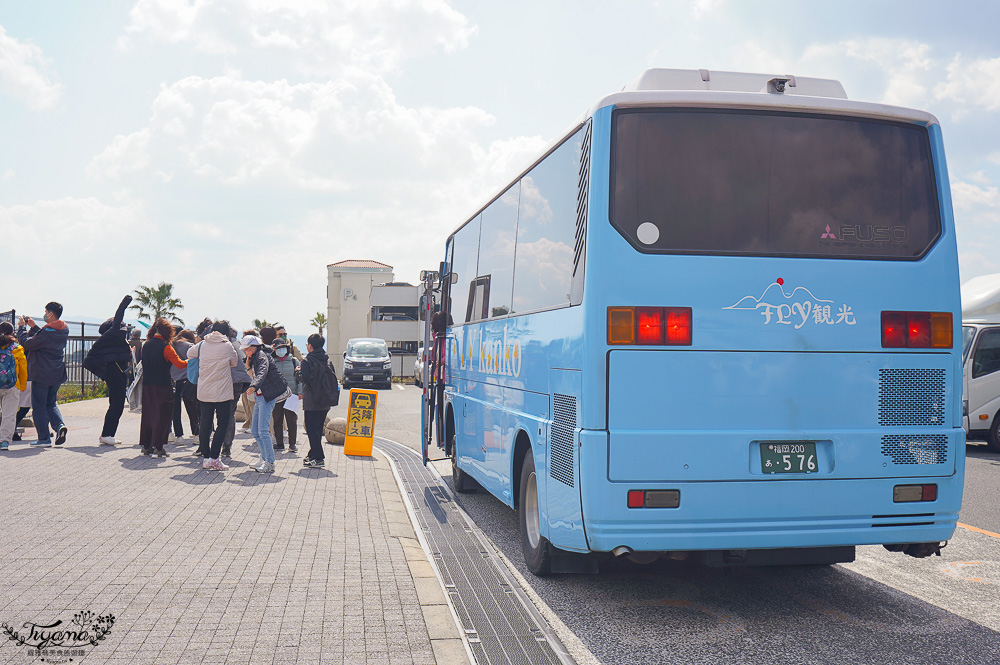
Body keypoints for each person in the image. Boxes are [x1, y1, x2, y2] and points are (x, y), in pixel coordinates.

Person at [188, 321, 239, 471]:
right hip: (222, 391)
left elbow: (189, 354)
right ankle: (215, 458)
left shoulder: (203, 344)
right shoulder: (227, 345)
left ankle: (205, 457)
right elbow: (235, 362)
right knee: (222, 424)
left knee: (205, 424)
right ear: (226, 332)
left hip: (204, 390)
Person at [83, 295, 134, 445]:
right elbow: (118, 317)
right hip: (115, 373)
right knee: (116, 404)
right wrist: (125, 303)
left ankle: (109, 434)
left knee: (117, 404)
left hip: (115, 373)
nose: (125, 329)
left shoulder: (114, 339)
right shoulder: (113, 333)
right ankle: (106, 434)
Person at [17, 302, 69, 447]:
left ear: (51, 314)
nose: (45, 315)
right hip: (57, 373)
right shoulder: (63, 329)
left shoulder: (47, 333)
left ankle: (44, 438)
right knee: (51, 403)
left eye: (46, 312)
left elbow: (27, 344)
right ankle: (59, 427)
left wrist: (22, 328)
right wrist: (34, 327)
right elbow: (44, 338)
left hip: (42, 373)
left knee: (39, 405)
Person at [138, 318, 187, 457]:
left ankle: (146, 445)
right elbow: (180, 364)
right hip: (163, 386)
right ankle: (159, 447)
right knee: (163, 415)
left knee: (148, 415)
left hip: (147, 386)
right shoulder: (167, 347)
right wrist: (191, 361)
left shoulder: (145, 346)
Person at [243, 335, 288, 473]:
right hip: (260, 397)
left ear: (252, 347)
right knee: (256, 431)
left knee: (263, 431)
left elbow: (262, 371)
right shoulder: (255, 357)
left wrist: (255, 385)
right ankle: (264, 459)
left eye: (246, 349)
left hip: (266, 397)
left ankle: (270, 463)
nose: (245, 352)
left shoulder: (262, 356)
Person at [297, 333, 337, 468]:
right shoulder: (327, 361)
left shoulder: (307, 361)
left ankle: (319, 458)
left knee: (311, 428)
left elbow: (305, 379)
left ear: (310, 346)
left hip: (312, 401)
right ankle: (312, 455)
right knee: (317, 429)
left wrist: (297, 372)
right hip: (325, 399)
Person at [220, 324, 251, 458]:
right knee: (230, 413)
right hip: (239, 382)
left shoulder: (224, 346)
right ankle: (227, 446)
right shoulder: (238, 345)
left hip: (227, 382)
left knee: (224, 414)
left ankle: (224, 444)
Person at [0, 322, 28, 451]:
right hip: (12, 385)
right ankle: (4, 441)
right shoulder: (17, 348)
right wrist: (22, 385)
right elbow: (23, 369)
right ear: (12, 333)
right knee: (9, 414)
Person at [270, 338, 300, 452]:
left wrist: (300, 392)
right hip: (277, 395)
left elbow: (299, 378)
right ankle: (279, 443)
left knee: (291, 420)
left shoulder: (293, 361)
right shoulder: (271, 361)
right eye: (278, 348)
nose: (281, 350)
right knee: (277, 419)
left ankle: (292, 444)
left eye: (282, 348)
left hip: (292, 395)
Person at [170, 329, 200, 441]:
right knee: (192, 408)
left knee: (175, 410)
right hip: (188, 380)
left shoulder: (171, 345)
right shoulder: (190, 346)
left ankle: (179, 436)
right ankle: (196, 434)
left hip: (174, 380)